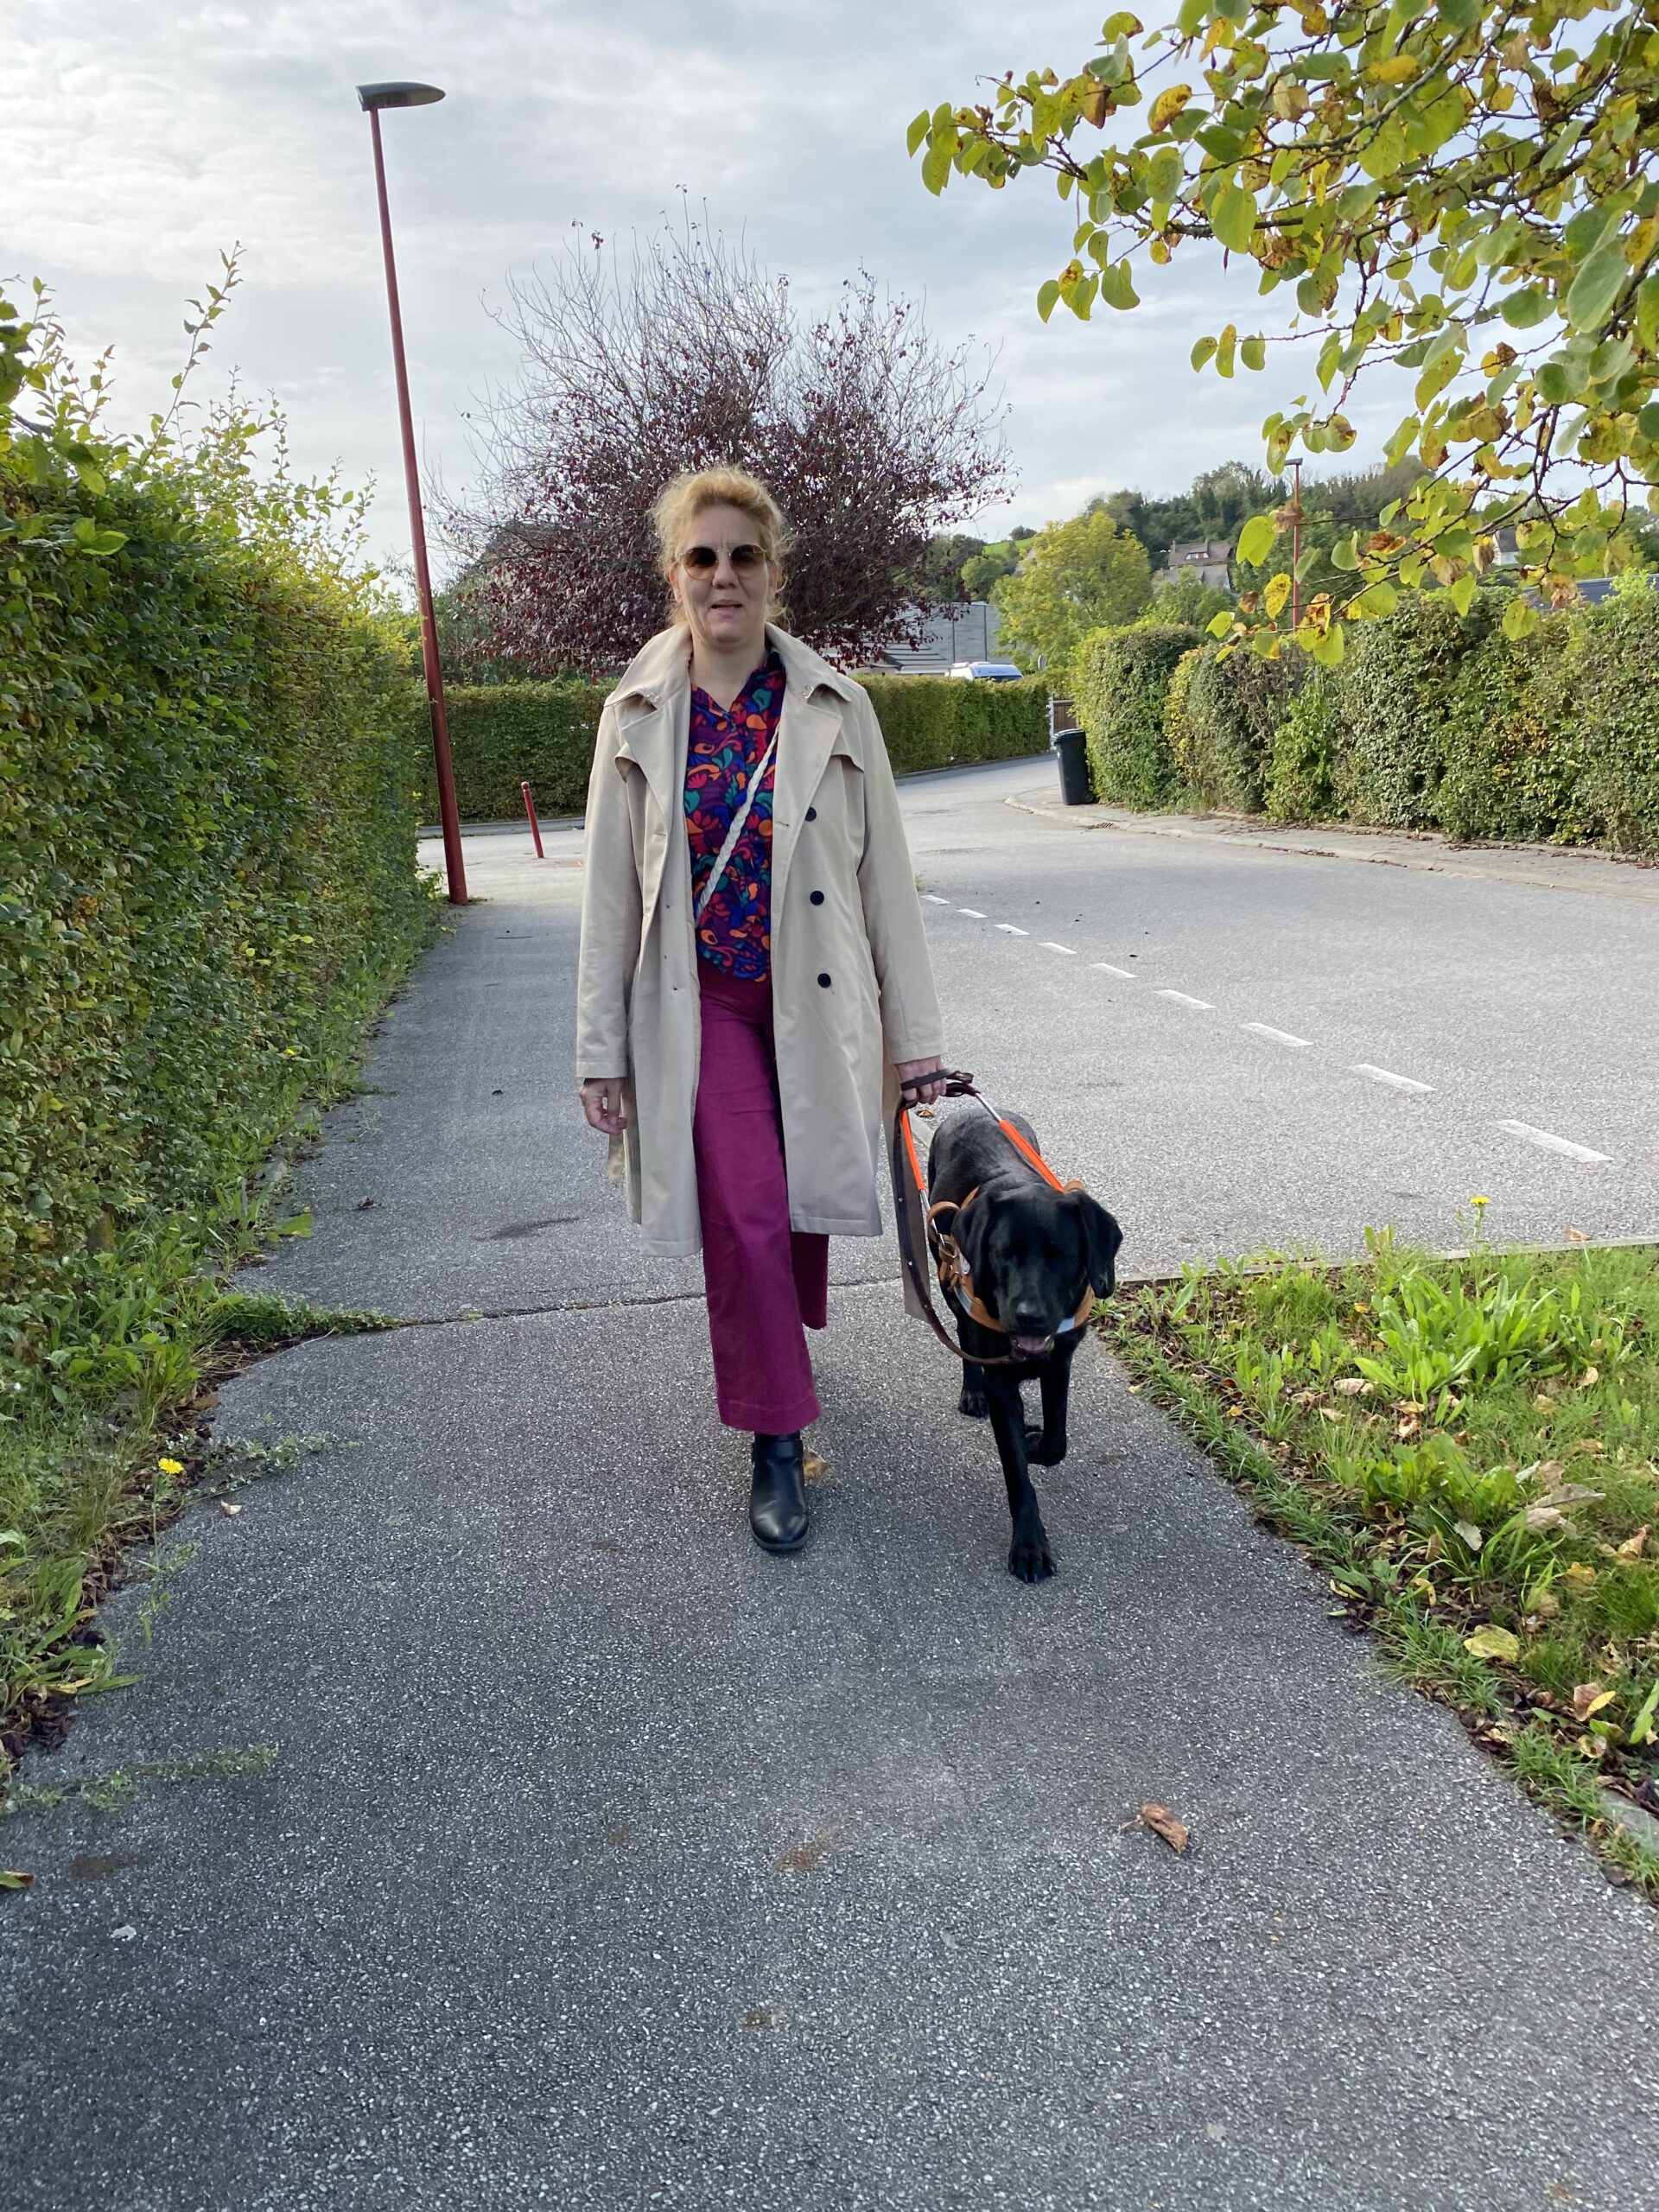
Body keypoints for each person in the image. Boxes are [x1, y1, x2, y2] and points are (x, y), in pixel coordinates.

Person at [576, 466, 945, 1554]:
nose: (724, 576)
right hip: (704, 1009)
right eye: (703, 557)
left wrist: (918, 1044)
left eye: (744, 557)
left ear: (773, 573)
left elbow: (888, 882)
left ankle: (780, 1341)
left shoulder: (838, 708)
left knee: (791, 1203)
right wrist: (602, 1052)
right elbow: (605, 891)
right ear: (673, 575)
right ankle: (778, 1439)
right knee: (743, 1206)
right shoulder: (635, 715)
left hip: (820, 999)